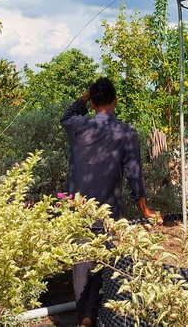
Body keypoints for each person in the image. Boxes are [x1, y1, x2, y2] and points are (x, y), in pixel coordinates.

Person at [61, 77, 158, 327]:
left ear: (92, 103)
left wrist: (85, 97)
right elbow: (134, 173)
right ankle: (93, 315)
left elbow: (67, 115)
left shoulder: (77, 126)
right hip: (108, 211)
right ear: (115, 101)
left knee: (81, 266)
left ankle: (85, 316)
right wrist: (145, 209)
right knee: (104, 263)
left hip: (78, 211)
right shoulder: (125, 132)